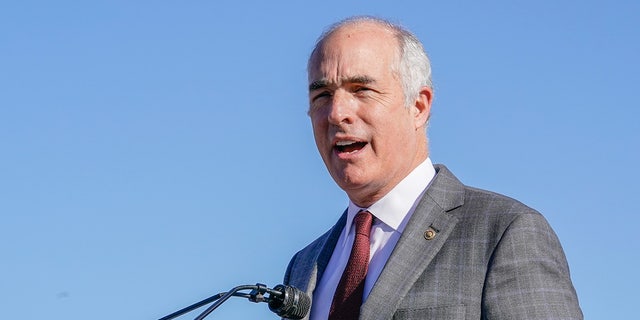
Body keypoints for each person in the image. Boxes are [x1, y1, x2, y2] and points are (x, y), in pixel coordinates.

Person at [283, 16, 582, 320]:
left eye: (361, 90)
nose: (337, 113)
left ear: (419, 106)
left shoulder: (504, 232)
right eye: (322, 96)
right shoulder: (304, 265)